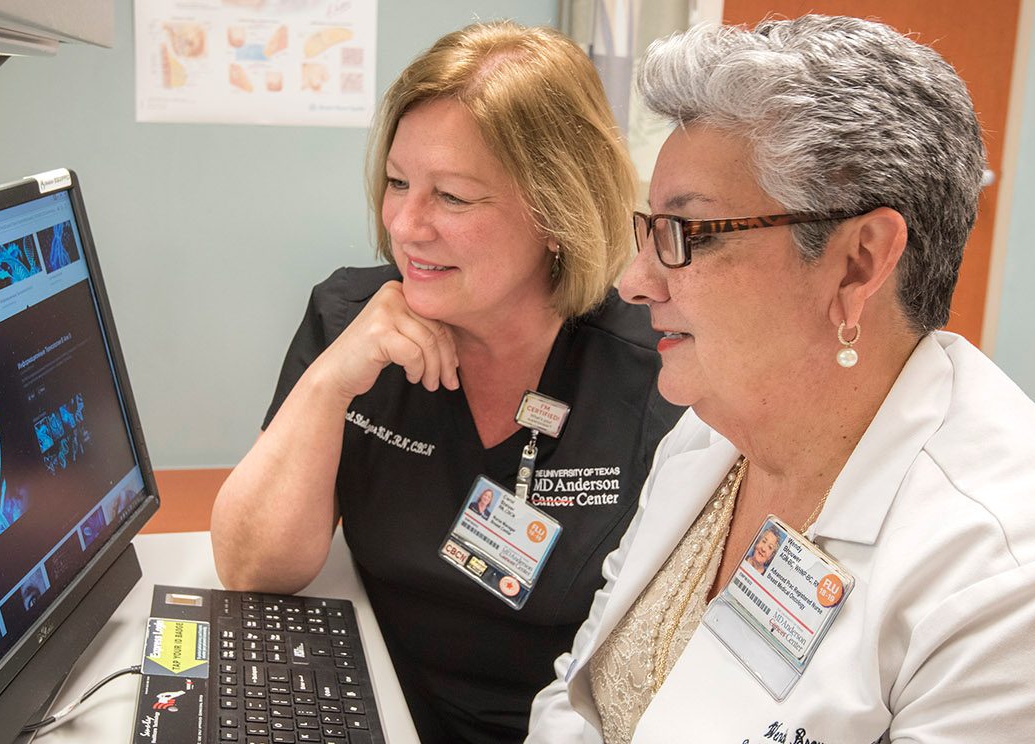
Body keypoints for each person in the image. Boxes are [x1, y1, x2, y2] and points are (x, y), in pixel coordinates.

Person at [528, 15, 1035, 743]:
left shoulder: (1030, 583)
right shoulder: (712, 437)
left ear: (859, 261)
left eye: (685, 235)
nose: (635, 281)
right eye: (647, 231)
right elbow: (579, 695)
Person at [210, 21, 683, 743]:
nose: (405, 224)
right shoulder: (350, 321)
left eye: (453, 197)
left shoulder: (655, 376)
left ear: (557, 212)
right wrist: (330, 381)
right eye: (398, 183)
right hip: (364, 706)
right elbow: (252, 567)